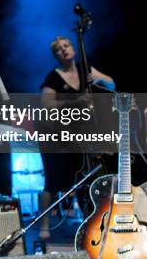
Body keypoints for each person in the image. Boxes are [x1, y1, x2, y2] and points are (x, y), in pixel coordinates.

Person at [38, 36, 114, 239]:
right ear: (55, 56)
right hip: (57, 135)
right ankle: (44, 227)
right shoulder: (53, 77)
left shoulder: (85, 69)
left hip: (81, 134)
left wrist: (96, 81)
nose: (64, 50)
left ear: (73, 48)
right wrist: (74, 102)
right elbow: (46, 106)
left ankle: (90, 223)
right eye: (58, 49)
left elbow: (111, 84)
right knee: (53, 181)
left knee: (85, 178)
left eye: (66, 46)